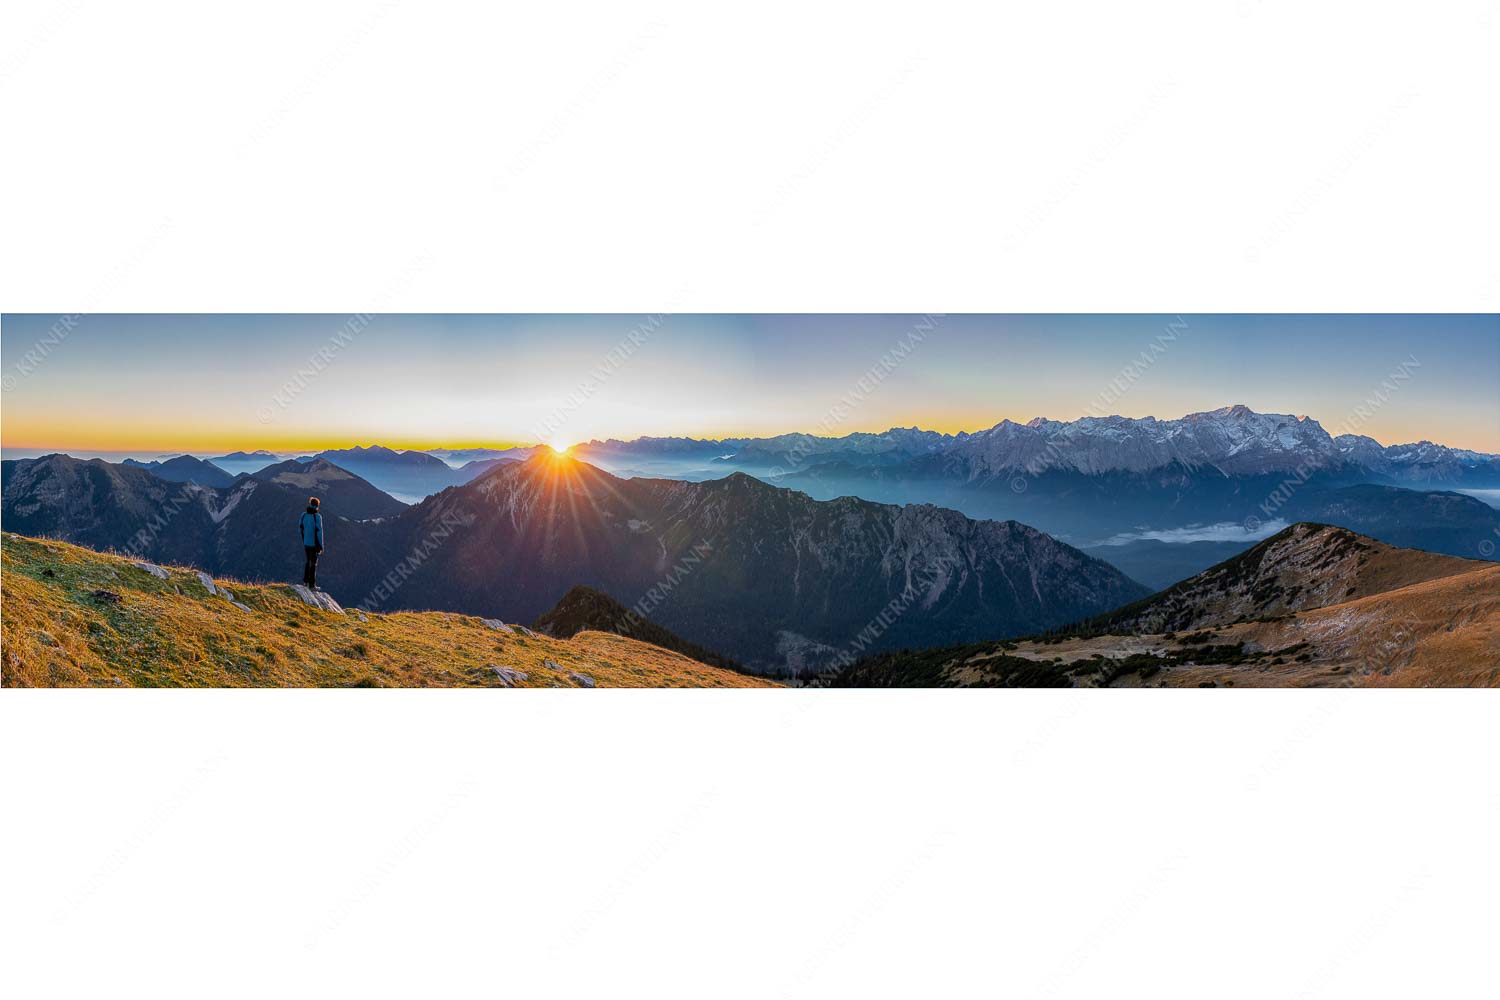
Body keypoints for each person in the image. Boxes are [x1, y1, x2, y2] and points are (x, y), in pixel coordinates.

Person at [299, 497, 325, 589]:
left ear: (310, 504)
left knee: (307, 562)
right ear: (317, 506)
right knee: (313, 564)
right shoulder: (317, 517)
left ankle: (305, 582)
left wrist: (304, 539)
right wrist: (321, 546)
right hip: (314, 544)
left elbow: (300, 528)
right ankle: (312, 585)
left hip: (306, 542)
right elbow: (319, 532)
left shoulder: (303, 515)